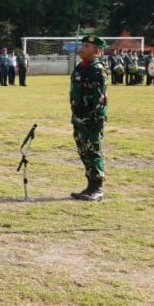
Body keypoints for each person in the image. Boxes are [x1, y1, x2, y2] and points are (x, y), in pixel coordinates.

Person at [70, 35, 109, 202]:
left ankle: (97, 187)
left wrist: (96, 119)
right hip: (79, 117)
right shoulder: (80, 67)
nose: (82, 48)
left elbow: (100, 97)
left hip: (91, 118)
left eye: (87, 46)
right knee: (84, 151)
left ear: (96, 51)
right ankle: (89, 185)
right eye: (83, 45)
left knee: (93, 151)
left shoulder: (97, 69)